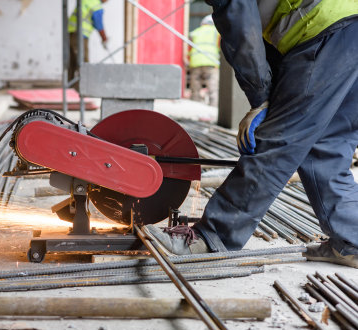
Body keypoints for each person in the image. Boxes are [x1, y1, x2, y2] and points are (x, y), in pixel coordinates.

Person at [149, 0, 358, 268]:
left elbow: (238, 24)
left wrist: (261, 98)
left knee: (276, 142)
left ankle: (212, 237)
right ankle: (352, 241)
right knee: (327, 146)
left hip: (321, 30)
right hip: (348, 28)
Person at [67, 0, 108, 87]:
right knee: (83, 62)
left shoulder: (87, 0)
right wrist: (104, 38)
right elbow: (99, 25)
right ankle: (82, 88)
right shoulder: (96, 6)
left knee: (72, 61)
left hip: (70, 32)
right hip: (80, 35)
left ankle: (69, 86)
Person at [187, 15, 220, 107]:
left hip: (195, 62)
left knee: (195, 85)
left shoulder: (195, 32)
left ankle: (195, 103)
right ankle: (213, 104)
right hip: (211, 61)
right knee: (212, 85)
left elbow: (189, 48)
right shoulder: (216, 32)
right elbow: (220, 46)